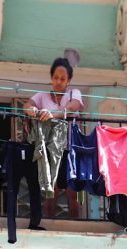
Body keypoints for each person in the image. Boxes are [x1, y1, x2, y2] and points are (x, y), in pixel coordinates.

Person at [24, 57, 84, 218]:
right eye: (56, 78)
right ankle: (48, 227)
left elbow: (74, 107)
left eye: (63, 79)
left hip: (70, 150)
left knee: (73, 194)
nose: (58, 81)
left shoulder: (73, 94)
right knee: (51, 193)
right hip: (51, 150)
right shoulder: (42, 96)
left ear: (69, 81)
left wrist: (53, 115)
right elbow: (28, 105)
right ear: (51, 78)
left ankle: (75, 231)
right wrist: (32, 111)